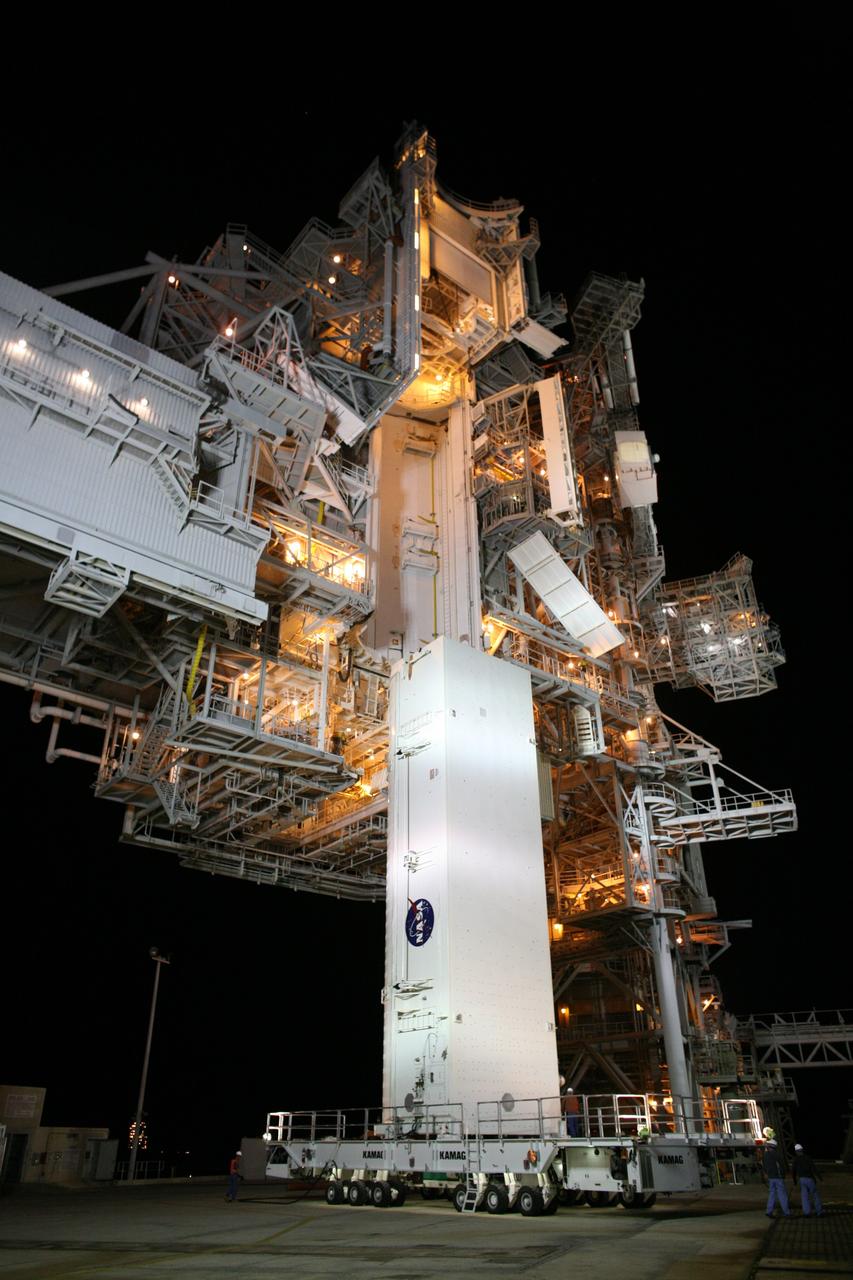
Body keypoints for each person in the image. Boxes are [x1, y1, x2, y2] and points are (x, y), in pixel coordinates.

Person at [792, 1143, 824, 1217]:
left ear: (796, 1151)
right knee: (815, 1195)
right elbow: (814, 1168)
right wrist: (820, 1178)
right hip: (810, 1179)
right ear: (802, 1150)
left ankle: (807, 1213)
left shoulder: (796, 1160)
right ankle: (819, 1212)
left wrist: (795, 1181)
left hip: (802, 1180)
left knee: (804, 1197)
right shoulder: (808, 1158)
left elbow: (793, 1171)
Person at [762, 1138, 790, 1218]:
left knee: (772, 1195)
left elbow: (764, 1166)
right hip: (778, 1177)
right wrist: (783, 1175)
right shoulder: (777, 1154)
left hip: (771, 1178)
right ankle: (787, 1212)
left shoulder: (766, 1155)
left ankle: (769, 1211)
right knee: (782, 1195)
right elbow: (782, 1165)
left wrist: (766, 1174)